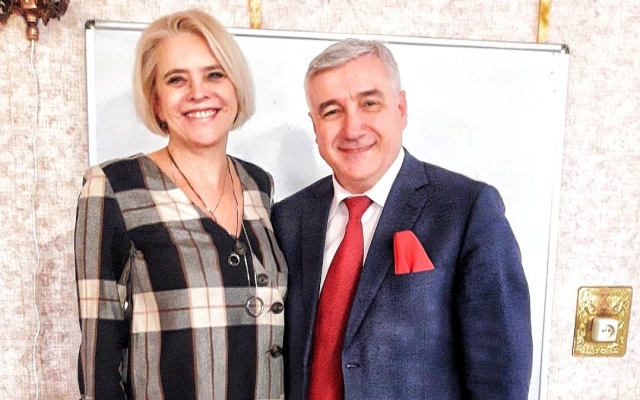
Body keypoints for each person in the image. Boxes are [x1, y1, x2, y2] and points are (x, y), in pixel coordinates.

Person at [271, 39, 533, 399]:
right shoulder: (287, 219)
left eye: (369, 103)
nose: (352, 128)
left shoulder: (467, 210)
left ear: (401, 108)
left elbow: (500, 375)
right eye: (331, 111)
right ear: (315, 126)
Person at [75, 9, 287, 399]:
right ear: (156, 101)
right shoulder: (115, 187)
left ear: (236, 88)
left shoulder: (260, 185)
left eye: (215, 74)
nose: (198, 92)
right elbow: (99, 361)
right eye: (176, 79)